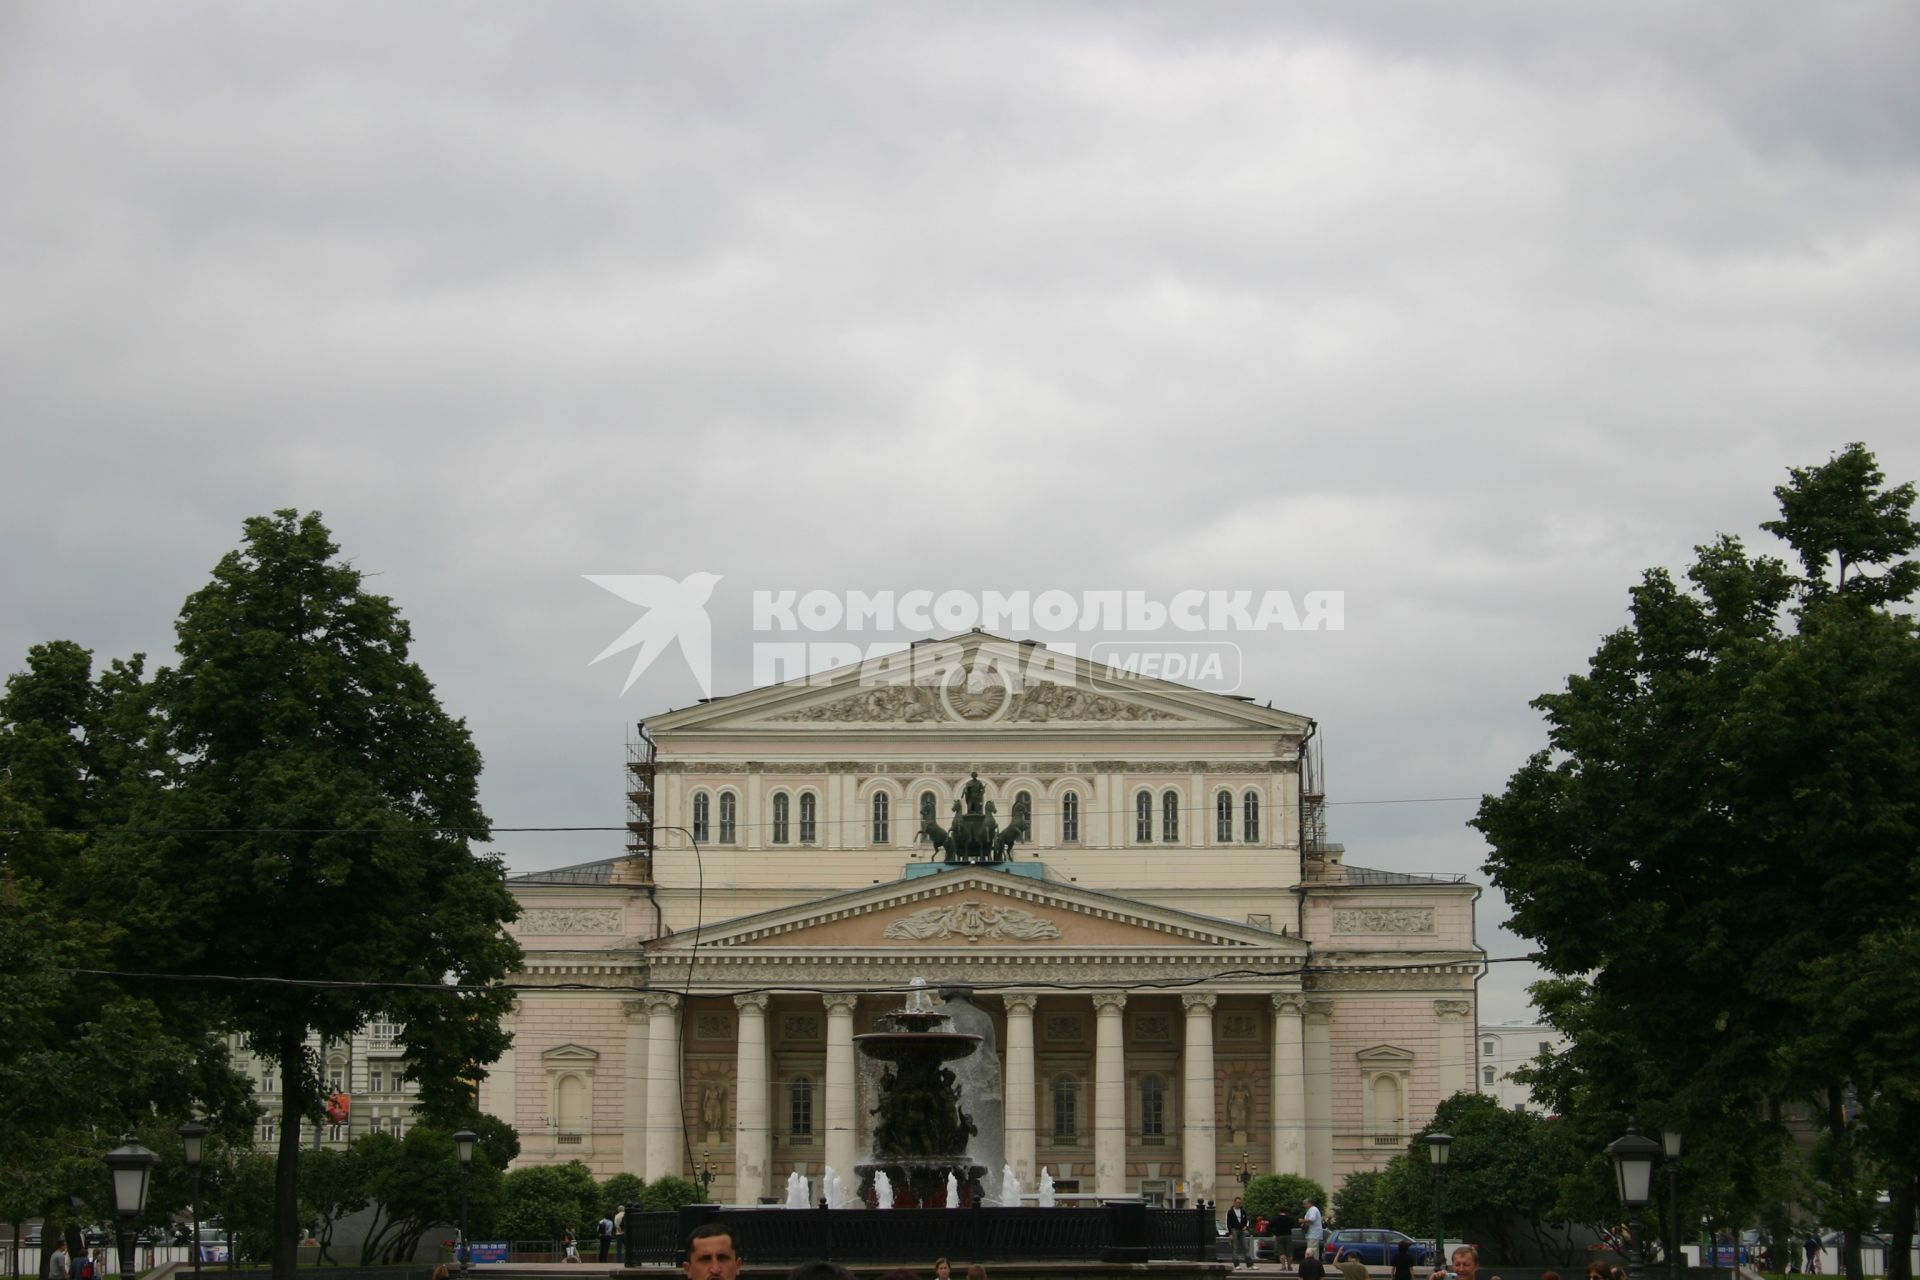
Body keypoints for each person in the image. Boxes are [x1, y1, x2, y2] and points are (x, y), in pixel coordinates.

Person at [1228, 1198, 1252, 1268]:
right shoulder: (1230, 1212)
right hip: (1234, 1230)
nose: (1238, 1204)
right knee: (1235, 1248)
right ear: (1234, 1202)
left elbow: (1247, 1220)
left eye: (1240, 1203)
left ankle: (1250, 1264)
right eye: (1237, 1202)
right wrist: (1230, 1233)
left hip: (1242, 1230)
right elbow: (1228, 1223)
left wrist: (1246, 1227)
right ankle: (1236, 1264)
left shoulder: (1243, 1211)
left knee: (1246, 1247)